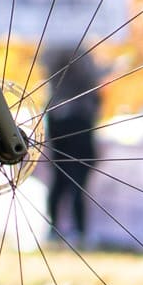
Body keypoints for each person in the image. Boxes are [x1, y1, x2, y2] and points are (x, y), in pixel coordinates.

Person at [43, 43, 102, 248]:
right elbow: (90, 77)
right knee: (72, 180)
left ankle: (62, 230)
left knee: (64, 180)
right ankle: (73, 231)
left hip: (62, 119)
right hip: (75, 121)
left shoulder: (53, 50)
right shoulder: (72, 53)